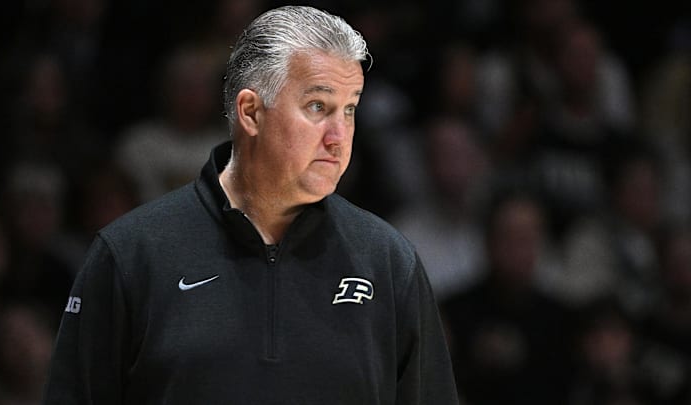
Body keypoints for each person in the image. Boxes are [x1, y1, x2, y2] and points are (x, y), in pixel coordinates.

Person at [42, 6, 459, 404]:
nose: (339, 136)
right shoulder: (131, 253)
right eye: (318, 107)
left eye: (349, 110)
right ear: (251, 112)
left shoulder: (387, 261)